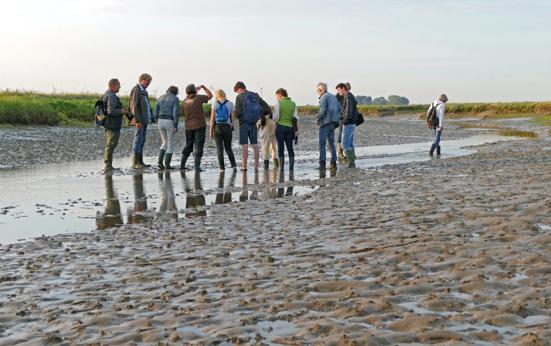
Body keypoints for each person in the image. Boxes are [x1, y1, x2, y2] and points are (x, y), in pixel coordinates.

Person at [234, 81, 272, 172]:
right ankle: (256, 167)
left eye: (237, 91)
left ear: (240, 88)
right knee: (255, 144)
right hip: (255, 123)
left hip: (243, 123)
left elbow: (238, 111)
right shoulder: (255, 95)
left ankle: (244, 167)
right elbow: (266, 107)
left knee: (245, 145)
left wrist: (240, 117)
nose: (237, 93)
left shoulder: (239, 97)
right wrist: (261, 117)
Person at [180, 84, 212, 171]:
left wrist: (195, 91)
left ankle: (182, 166)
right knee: (199, 146)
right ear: (195, 91)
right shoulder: (198, 98)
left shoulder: (184, 101)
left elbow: (183, 114)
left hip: (188, 127)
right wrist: (204, 87)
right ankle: (197, 167)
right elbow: (210, 96)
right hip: (199, 126)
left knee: (189, 146)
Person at [101, 78, 128, 172]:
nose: (120, 87)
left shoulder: (106, 94)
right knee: (110, 145)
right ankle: (108, 166)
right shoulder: (111, 96)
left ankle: (109, 166)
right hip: (112, 124)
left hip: (109, 123)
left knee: (110, 145)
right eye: (118, 85)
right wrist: (122, 111)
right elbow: (111, 111)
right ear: (113, 85)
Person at [129, 73, 154, 169]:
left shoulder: (144, 91)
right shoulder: (136, 89)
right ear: (142, 80)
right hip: (138, 120)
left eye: (149, 82)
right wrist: (137, 120)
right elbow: (133, 106)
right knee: (138, 139)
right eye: (147, 81)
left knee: (142, 140)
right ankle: (135, 163)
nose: (148, 83)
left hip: (144, 120)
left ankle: (140, 161)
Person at [209, 89, 237, 172]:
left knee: (219, 149)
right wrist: (232, 125)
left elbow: (212, 119)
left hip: (218, 127)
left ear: (217, 95)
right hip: (227, 127)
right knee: (228, 148)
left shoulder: (215, 104)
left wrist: (211, 130)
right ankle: (234, 166)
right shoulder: (230, 103)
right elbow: (232, 118)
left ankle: (222, 168)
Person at [315, 82, 341, 170]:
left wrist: (318, 119)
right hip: (333, 123)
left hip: (325, 122)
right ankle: (333, 162)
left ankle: (322, 163)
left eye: (317, 90)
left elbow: (322, 110)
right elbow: (340, 109)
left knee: (322, 143)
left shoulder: (323, 97)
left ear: (320, 89)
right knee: (331, 143)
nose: (317, 92)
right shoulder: (333, 96)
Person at [153, 86, 180, 170]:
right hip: (169, 121)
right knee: (170, 143)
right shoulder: (175, 98)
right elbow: (175, 112)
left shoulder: (160, 97)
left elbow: (155, 112)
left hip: (160, 120)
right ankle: (167, 165)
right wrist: (175, 125)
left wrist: (156, 120)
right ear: (175, 92)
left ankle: (160, 163)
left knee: (164, 141)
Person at [273, 88, 298, 172]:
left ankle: (282, 168)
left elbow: (276, 117)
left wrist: (273, 119)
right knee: (290, 148)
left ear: (280, 94)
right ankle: (291, 167)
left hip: (280, 127)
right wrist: (296, 130)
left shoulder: (278, 103)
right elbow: (295, 117)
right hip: (290, 128)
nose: (276, 98)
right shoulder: (293, 104)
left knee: (281, 147)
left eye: (277, 96)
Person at [336, 83, 359, 168]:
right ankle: (352, 163)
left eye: (338, 90)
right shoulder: (348, 96)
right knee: (349, 143)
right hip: (350, 123)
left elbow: (348, 112)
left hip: (348, 123)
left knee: (345, 144)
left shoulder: (348, 97)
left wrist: (344, 121)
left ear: (343, 88)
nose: (338, 92)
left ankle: (351, 163)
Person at [335, 82, 351, 161]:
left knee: (347, 135)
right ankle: (339, 153)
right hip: (341, 118)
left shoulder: (348, 96)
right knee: (341, 134)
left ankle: (347, 153)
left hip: (345, 118)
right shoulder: (338, 95)